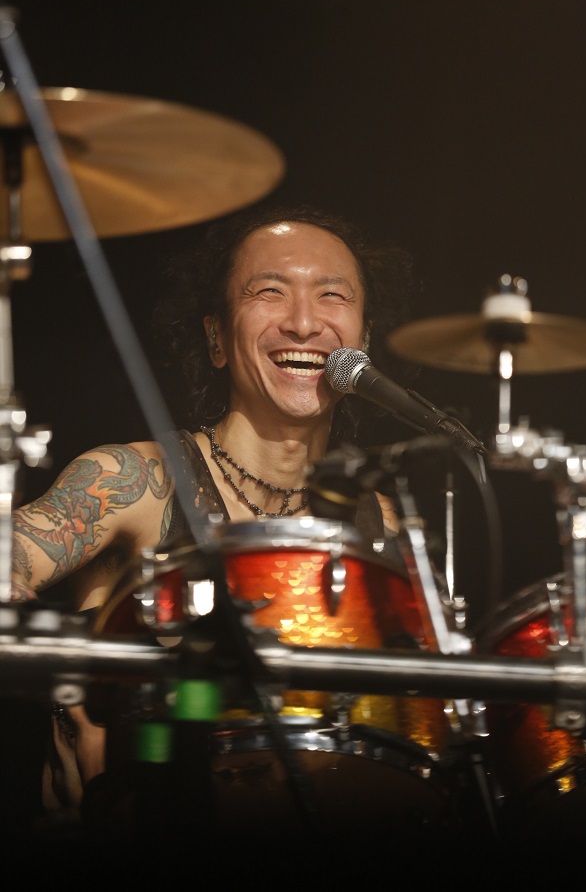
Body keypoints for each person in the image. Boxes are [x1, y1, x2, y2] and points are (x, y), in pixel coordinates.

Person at [10, 201, 459, 844]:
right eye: (269, 292)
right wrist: (63, 666)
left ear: (361, 339)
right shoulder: (135, 479)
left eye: (332, 296)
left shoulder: (385, 529)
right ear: (217, 338)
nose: (304, 321)